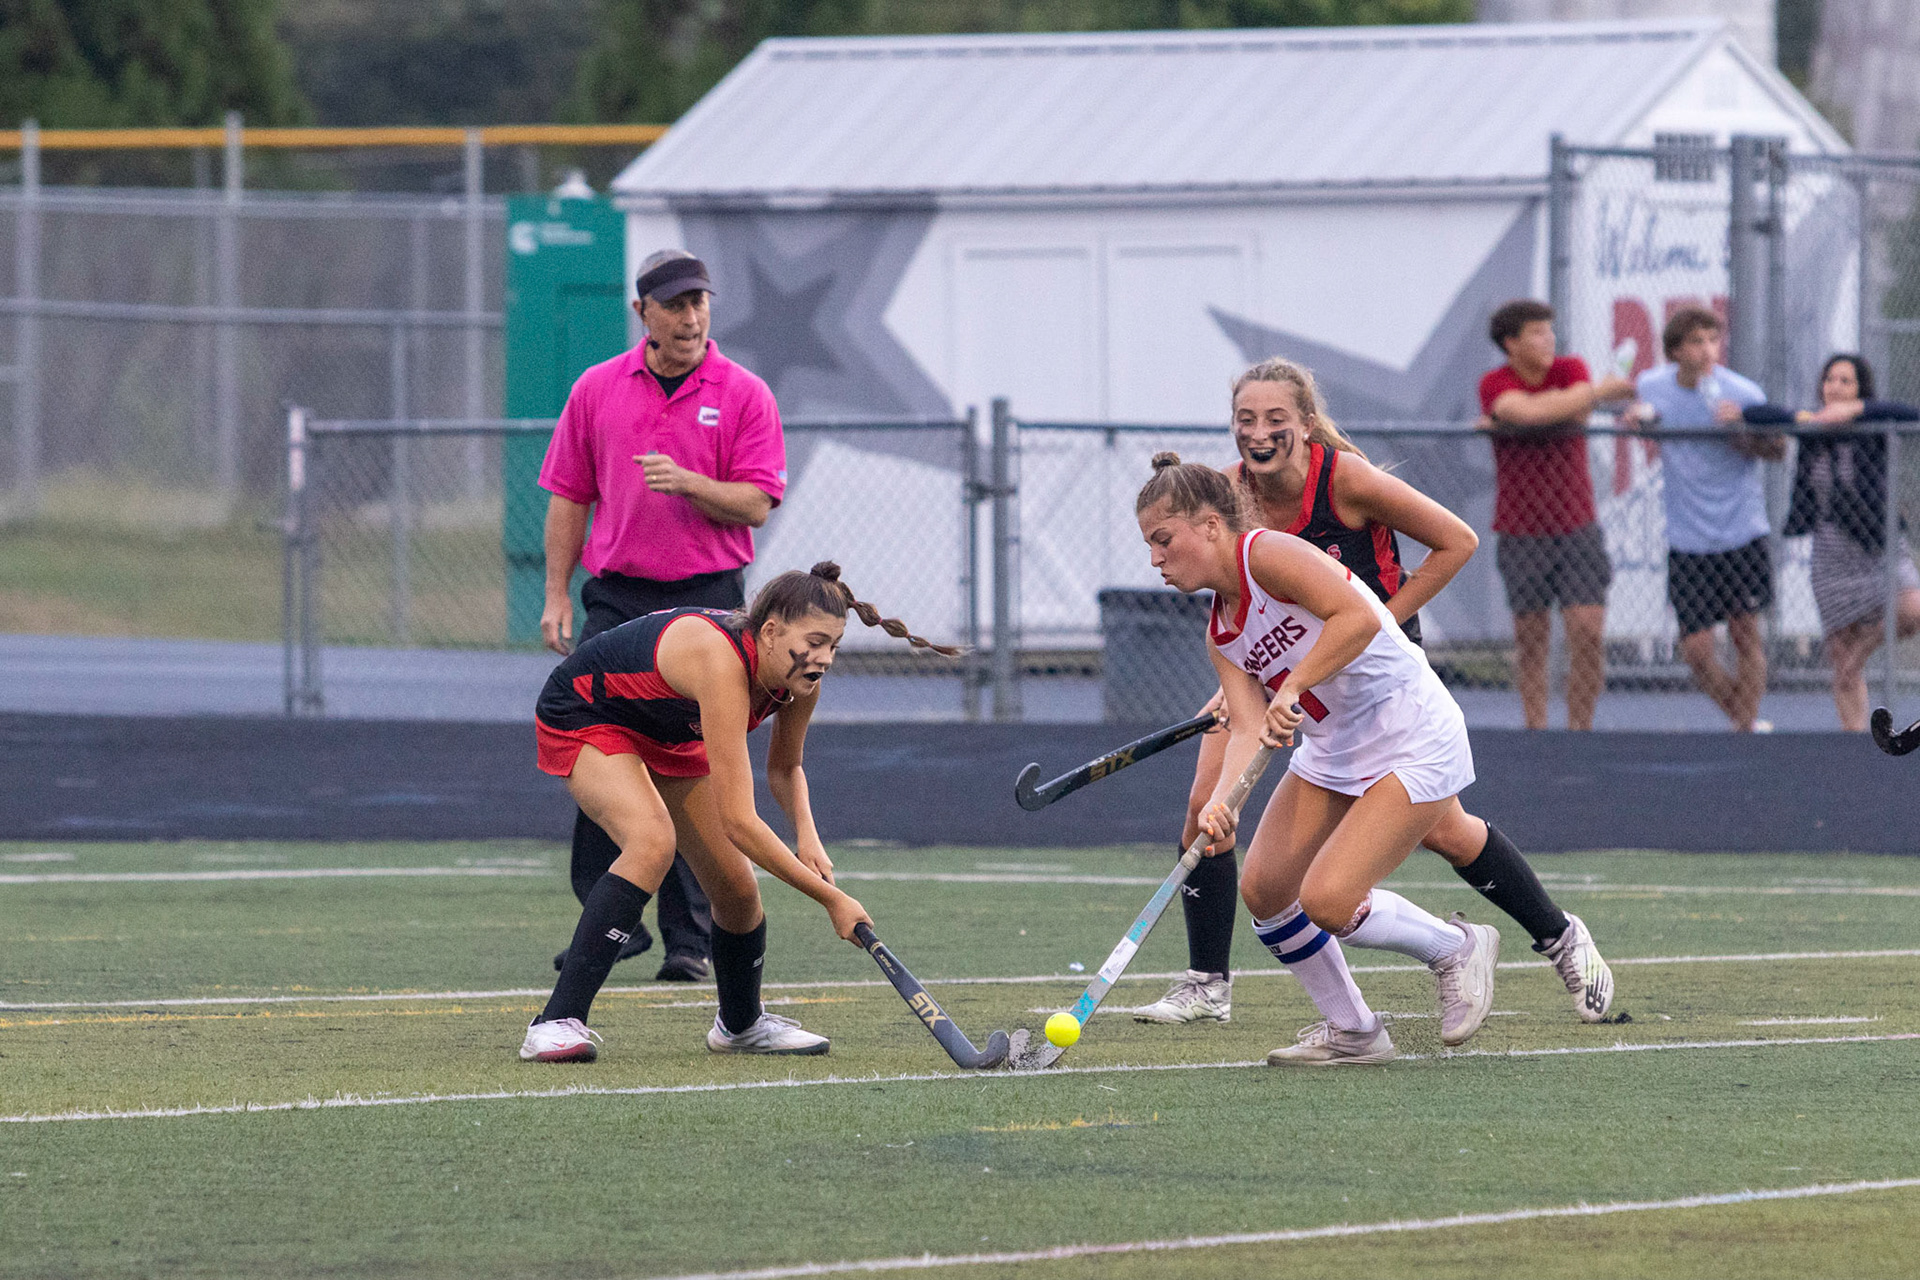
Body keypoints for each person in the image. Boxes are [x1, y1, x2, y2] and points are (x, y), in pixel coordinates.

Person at [1134, 359, 1613, 1030]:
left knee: (1431, 841)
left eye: (1275, 418)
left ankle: (1548, 938)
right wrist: (1254, 703)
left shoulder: (1341, 483)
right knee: (1222, 829)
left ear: (1306, 423)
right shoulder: (1223, 502)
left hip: (1380, 677)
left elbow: (1449, 547)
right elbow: (1248, 691)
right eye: (1245, 419)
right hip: (1322, 708)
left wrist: (1354, 634)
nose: (1258, 432)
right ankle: (1232, 989)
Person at [1137, 453, 1500, 1066]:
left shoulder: (1268, 554)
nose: (1155, 560)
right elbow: (1247, 728)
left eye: (1163, 539)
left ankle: (1454, 947)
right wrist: (1222, 805)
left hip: (1411, 730)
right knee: (1265, 890)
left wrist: (1294, 683)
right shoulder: (1220, 633)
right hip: (1336, 749)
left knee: (1328, 901)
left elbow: (1360, 616)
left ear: (1210, 526)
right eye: (1149, 545)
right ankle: (1354, 1030)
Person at [520, 562, 955, 1063]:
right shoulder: (721, 662)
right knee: (652, 843)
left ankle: (741, 1025)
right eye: (814, 642)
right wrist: (831, 899)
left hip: (667, 727)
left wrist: (807, 835)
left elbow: (786, 768)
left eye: (834, 645)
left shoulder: (800, 681)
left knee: (737, 889)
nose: (824, 658)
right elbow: (739, 821)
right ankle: (554, 1023)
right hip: (589, 713)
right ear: (769, 632)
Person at [538, 249, 789, 982]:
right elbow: (568, 496)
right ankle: (612, 922)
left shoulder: (743, 393)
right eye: (675, 305)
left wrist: (688, 483)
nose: (690, 317)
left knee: (693, 762)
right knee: (600, 745)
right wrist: (556, 592)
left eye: (698, 302)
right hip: (618, 598)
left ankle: (691, 939)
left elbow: (757, 502)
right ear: (641, 312)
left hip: (709, 604)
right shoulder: (596, 388)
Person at [1477, 300, 1636, 730]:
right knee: (1532, 641)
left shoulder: (1571, 369)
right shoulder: (1494, 382)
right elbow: (1524, 412)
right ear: (1511, 343)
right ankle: (1537, 733)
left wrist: (1555, 406)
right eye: (1536, 333)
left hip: (1577, 526)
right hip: (1520, 531)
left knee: (1587, 632)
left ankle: (1579, 734)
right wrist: (1598, 392)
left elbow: (1567, 413)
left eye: (1549, 331)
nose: (1548, 340)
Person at [1629, 307, 1782, 733]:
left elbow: (1778, 450)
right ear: (1676, 351)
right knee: (1696, 651)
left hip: (1742, 531)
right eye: (1697, 341)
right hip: (1687, 538)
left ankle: (1744, 732)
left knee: (1746, 634)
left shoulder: (1743, 392)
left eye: (1714, 340)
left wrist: (1743, 429)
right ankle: (1744, 720)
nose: (1708, 350)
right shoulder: (1653, 386)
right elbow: (1639, 416)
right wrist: (1639, 422)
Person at [1750, 354, 1920, 730]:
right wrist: (1803, 419)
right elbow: (1757, 415)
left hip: (1878, 543)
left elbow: (1911, 414)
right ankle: (1854, 735)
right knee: (1839, 653)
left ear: (1860, 389)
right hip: (1832, 549)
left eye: (1846, 381)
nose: (1836, 387)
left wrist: (1857, 411)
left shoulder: (1874, 424)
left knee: (1911, 609)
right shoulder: (1812, 428)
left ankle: (1860, 654)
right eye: (1830, 380)